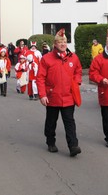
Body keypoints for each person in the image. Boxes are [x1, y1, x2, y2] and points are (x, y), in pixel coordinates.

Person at [37, 28, 83, 157]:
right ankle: (50, 142)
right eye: (60, 42)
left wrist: (77, 81)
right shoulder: (46, 58)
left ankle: (73, 146)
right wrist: (42, 95)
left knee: (69, 122)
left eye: (64, 42)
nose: (63, 44)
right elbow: (40, 78)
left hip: (69, 97)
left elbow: (78, 71)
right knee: (51, 122)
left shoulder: (73, 58)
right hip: (52, 97)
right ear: (55, 44)